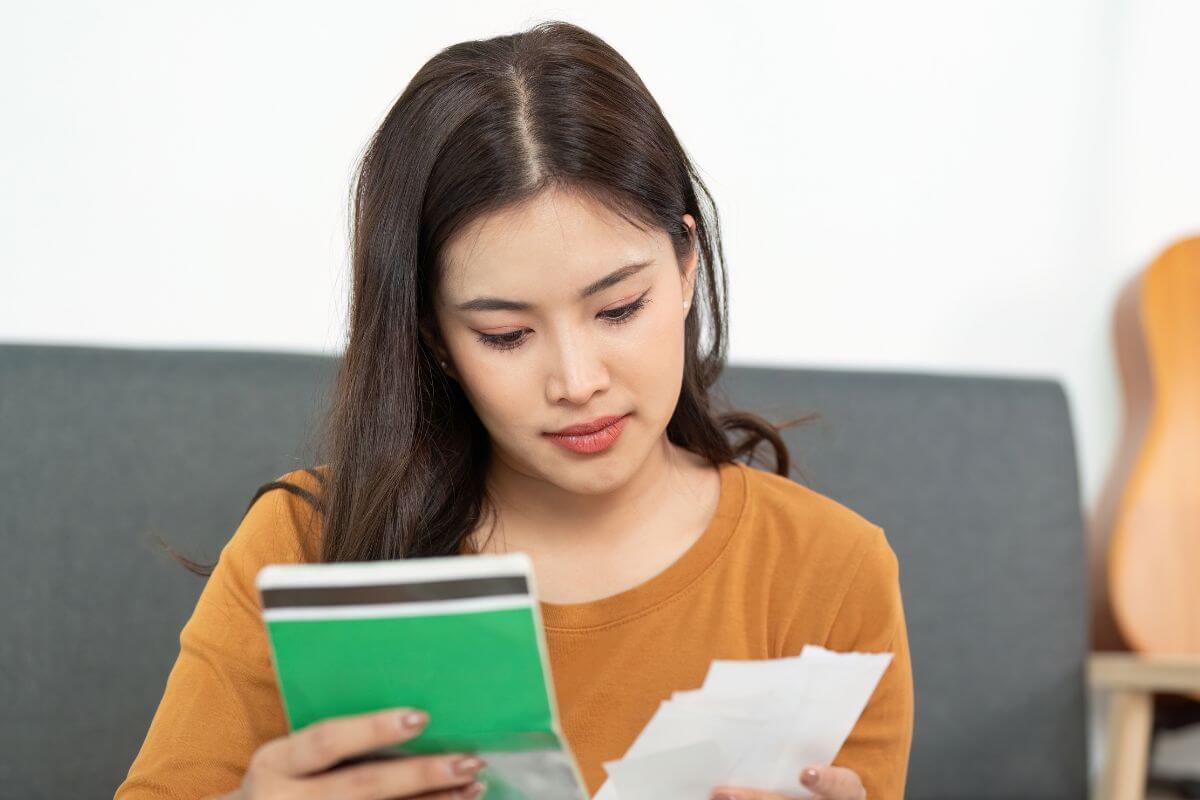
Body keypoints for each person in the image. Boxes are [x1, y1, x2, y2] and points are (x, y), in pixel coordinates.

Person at [115, 19, 913, 800]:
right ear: (434, 336)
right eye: (505, 334)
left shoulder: (828, 570)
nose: (576, 381)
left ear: (685, 267)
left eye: (619, 309)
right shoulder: (305, 547)